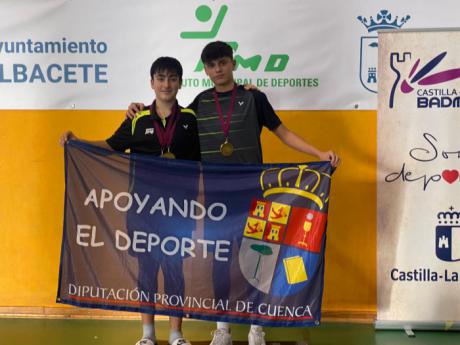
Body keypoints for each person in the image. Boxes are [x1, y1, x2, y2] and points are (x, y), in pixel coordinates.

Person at [127, 41, 340, 345]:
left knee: (260, 259)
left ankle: (257, 327)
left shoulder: (254, 99)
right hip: (217, 197)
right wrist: (136, 108)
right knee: (220, 260)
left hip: (255, 192)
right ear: (206, 69)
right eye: (212, 65)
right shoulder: (199, 103)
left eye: (223, 63)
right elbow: (169, 119)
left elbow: (283, 132)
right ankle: (222, 327)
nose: (218, 70)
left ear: (233, 63)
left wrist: (318, 152)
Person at [60, 57, 200, 345]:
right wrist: (78, 141)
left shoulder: (190, 119)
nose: (166, 84)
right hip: (142, 209)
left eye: (172, 78)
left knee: (174, 270)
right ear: (152, 83)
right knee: (146, 269)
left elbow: (206, 159)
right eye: (160, 78)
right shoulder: (136, 118)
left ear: (180, 83)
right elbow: (110, 145)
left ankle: (176, 334)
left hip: (178, 210)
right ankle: (147, 334)